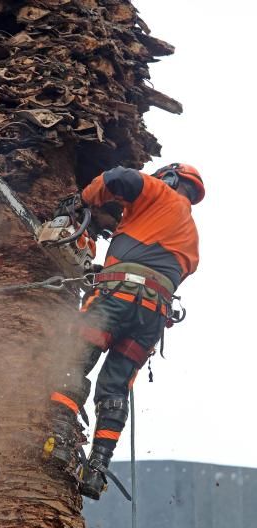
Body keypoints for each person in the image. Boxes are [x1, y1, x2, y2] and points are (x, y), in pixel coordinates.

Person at [47, 163, 205, 499]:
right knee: (115, 388)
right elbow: (149, 263)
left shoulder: (159, 192)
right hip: (151, 318)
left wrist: (81, 201)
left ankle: (58, 441)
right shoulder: (190, 238)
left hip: (117, 297)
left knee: (72, 362)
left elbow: (119, 178)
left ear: (170, 179)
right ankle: (97, 469)